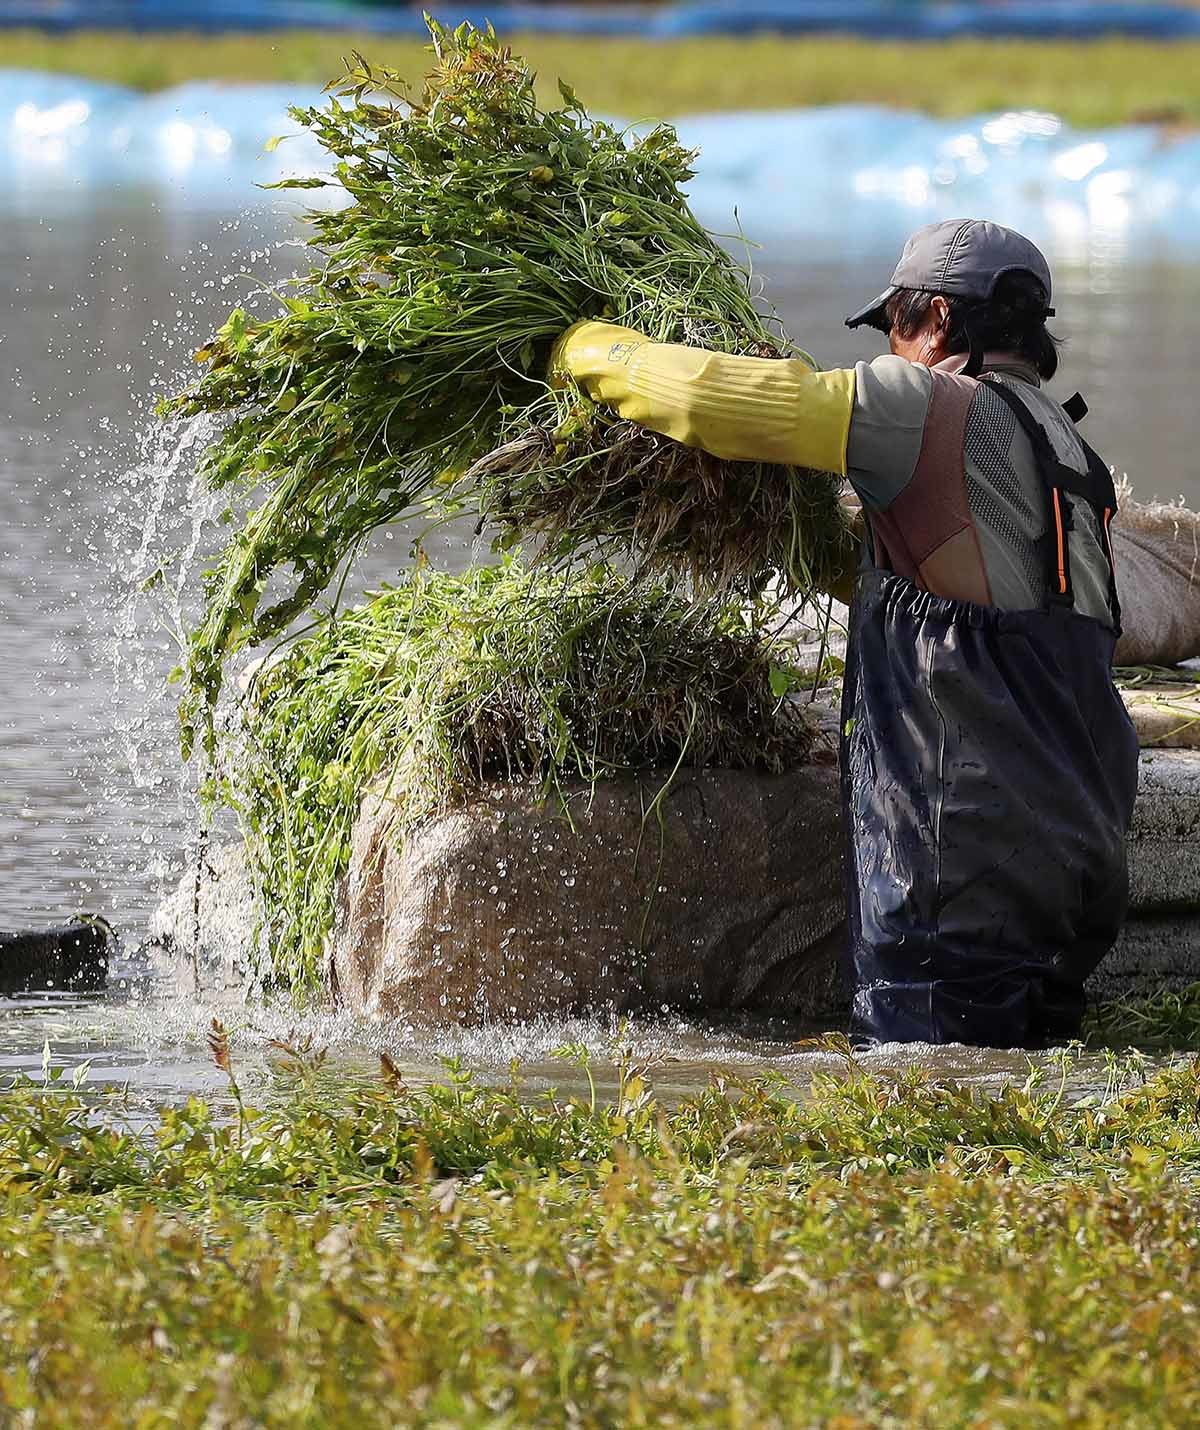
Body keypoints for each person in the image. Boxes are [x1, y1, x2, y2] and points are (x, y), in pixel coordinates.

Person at [553, 218, 1139, 1048]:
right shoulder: (1068, 452)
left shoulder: (926, 401)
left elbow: (709, 400)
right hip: (1077, 865)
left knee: (931, 1125)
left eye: (894, 328)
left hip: (961, 866)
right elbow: (978, 599)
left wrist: (577, 340)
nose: (890, 353)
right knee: (1024, 1119)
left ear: (935, 318)